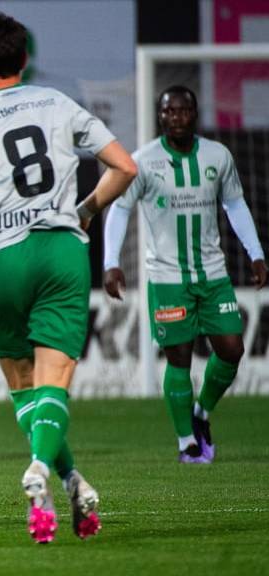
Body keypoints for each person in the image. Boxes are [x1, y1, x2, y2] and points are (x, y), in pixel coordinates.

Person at [0, 13, 137, 543]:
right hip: (62, 251)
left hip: (1, 260)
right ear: (24, 58)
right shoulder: (59, 105)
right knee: (54, 382)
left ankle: (63, 479)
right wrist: (86, 211)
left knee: (23, 385)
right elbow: (126, 168)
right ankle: (48, 472)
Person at [103, 85, 267, 464]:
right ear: (160, 116)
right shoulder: (143, 161)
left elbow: (235, 204)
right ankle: (185, 443)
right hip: (166, 276)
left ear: (195, 114)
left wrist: (256, 254)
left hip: (212, 273)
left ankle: (202, 412)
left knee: (231, 349)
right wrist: (112, 261)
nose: (176, 117)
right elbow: (120, 209)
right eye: (168, 111)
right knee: (179, 359)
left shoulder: (217, 156)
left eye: (183, 110)